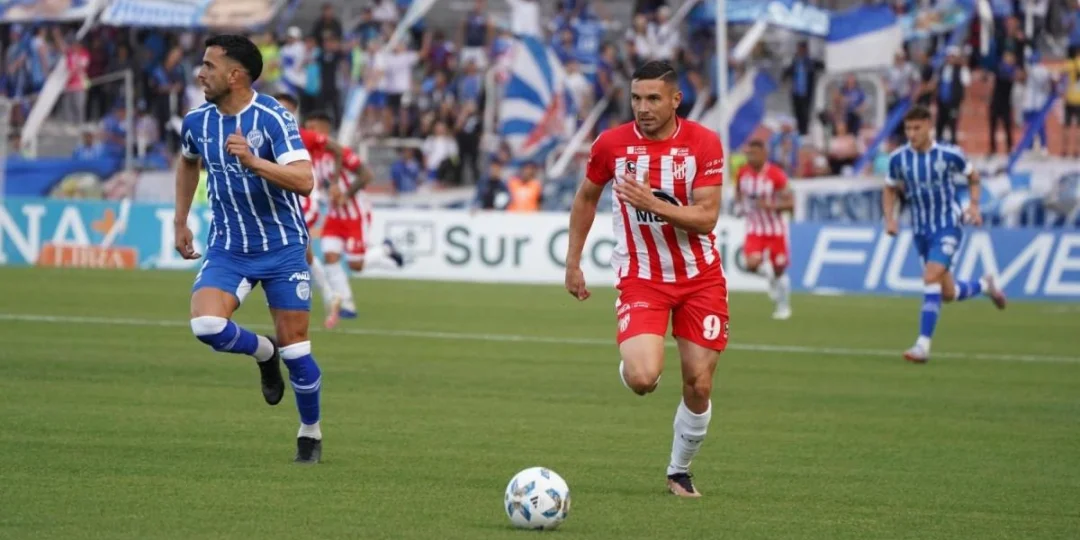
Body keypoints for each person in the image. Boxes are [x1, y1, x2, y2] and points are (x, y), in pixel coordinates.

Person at [564, 60, 728, 498]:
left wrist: (652, 203)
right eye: (636, 98)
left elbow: (707, 217)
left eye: (653, 98)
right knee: (642, 379)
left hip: (700, 278)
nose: (643, 107)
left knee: (699, 383)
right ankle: (634, 358)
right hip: (642, 278)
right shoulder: (611, 144)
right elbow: (585, 199)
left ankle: (679, 471)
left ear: (676, 100)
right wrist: (573, 262)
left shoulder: (703, 143)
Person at [174, 35, 323, 463]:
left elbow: (305, 181)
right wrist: (180, 220)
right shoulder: (197, 122)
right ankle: (263, 351)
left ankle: (310, 432)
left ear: (236, 75)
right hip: (229, 247)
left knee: (298, 352)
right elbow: (187, 162)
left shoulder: (273, 117)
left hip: (282, 248)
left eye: (209, 66)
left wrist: (254, 161)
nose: (200, 74)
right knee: (206, 326)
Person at [883, 106, 1007, 364]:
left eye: (917, 128)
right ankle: (985, 285)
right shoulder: (898, 159)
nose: (911, 134)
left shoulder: (950, 154)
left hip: (948, 225)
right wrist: (890, 218)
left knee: (930, 276)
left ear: (929, 126)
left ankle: (922, 345)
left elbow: (973, 176)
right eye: (908, 129)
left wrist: (974, 206)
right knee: (947, 293)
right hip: (920, 231)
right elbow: (889, 187)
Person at [302, 111, 404, 328]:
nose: (309, 133)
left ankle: (384, 250)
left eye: (313, 128)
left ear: (324, 130)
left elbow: (366, 175)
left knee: (355, 264)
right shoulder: (312, 155)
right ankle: (346, 305)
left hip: (355, 213)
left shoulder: (341, 153)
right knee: (330, 256)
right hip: (334, 214)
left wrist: (346, 195)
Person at [273, 91, 347, 319]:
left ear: (293, 113)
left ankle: (319, 294)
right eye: (277, 107)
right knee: (302, 252)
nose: (281, 113)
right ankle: (329, 295)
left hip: (303, 200)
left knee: (292, 248)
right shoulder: (265, 133)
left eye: (286, 109)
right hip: (283, 199)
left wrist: (335, 183)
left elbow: (338, 150)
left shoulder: (302, 135)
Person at [734, 140, 794, 320]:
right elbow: (738, 192)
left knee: (779, 269)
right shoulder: (743, 173)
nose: (750, 157)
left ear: (764, 154)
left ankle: (783, 306)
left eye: (754, 154)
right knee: (751, 264)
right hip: (754, 228)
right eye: (748, 154)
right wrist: (739, 206)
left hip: (775, 230)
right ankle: (770, 280)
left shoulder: (776, 175)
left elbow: (790, 203)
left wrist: (772, 206)